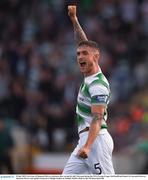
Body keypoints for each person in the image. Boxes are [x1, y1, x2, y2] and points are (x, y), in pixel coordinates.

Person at [62, 5, 115, 174]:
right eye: (78, 54)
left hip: (96, 141)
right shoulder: (90, 76)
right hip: (84, 139)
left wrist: (87, 146)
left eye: (84, 54)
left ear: (96, 57)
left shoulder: (98, 85)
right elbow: (83, 44)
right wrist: (74, 20)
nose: (80, 57)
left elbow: (98, 117)